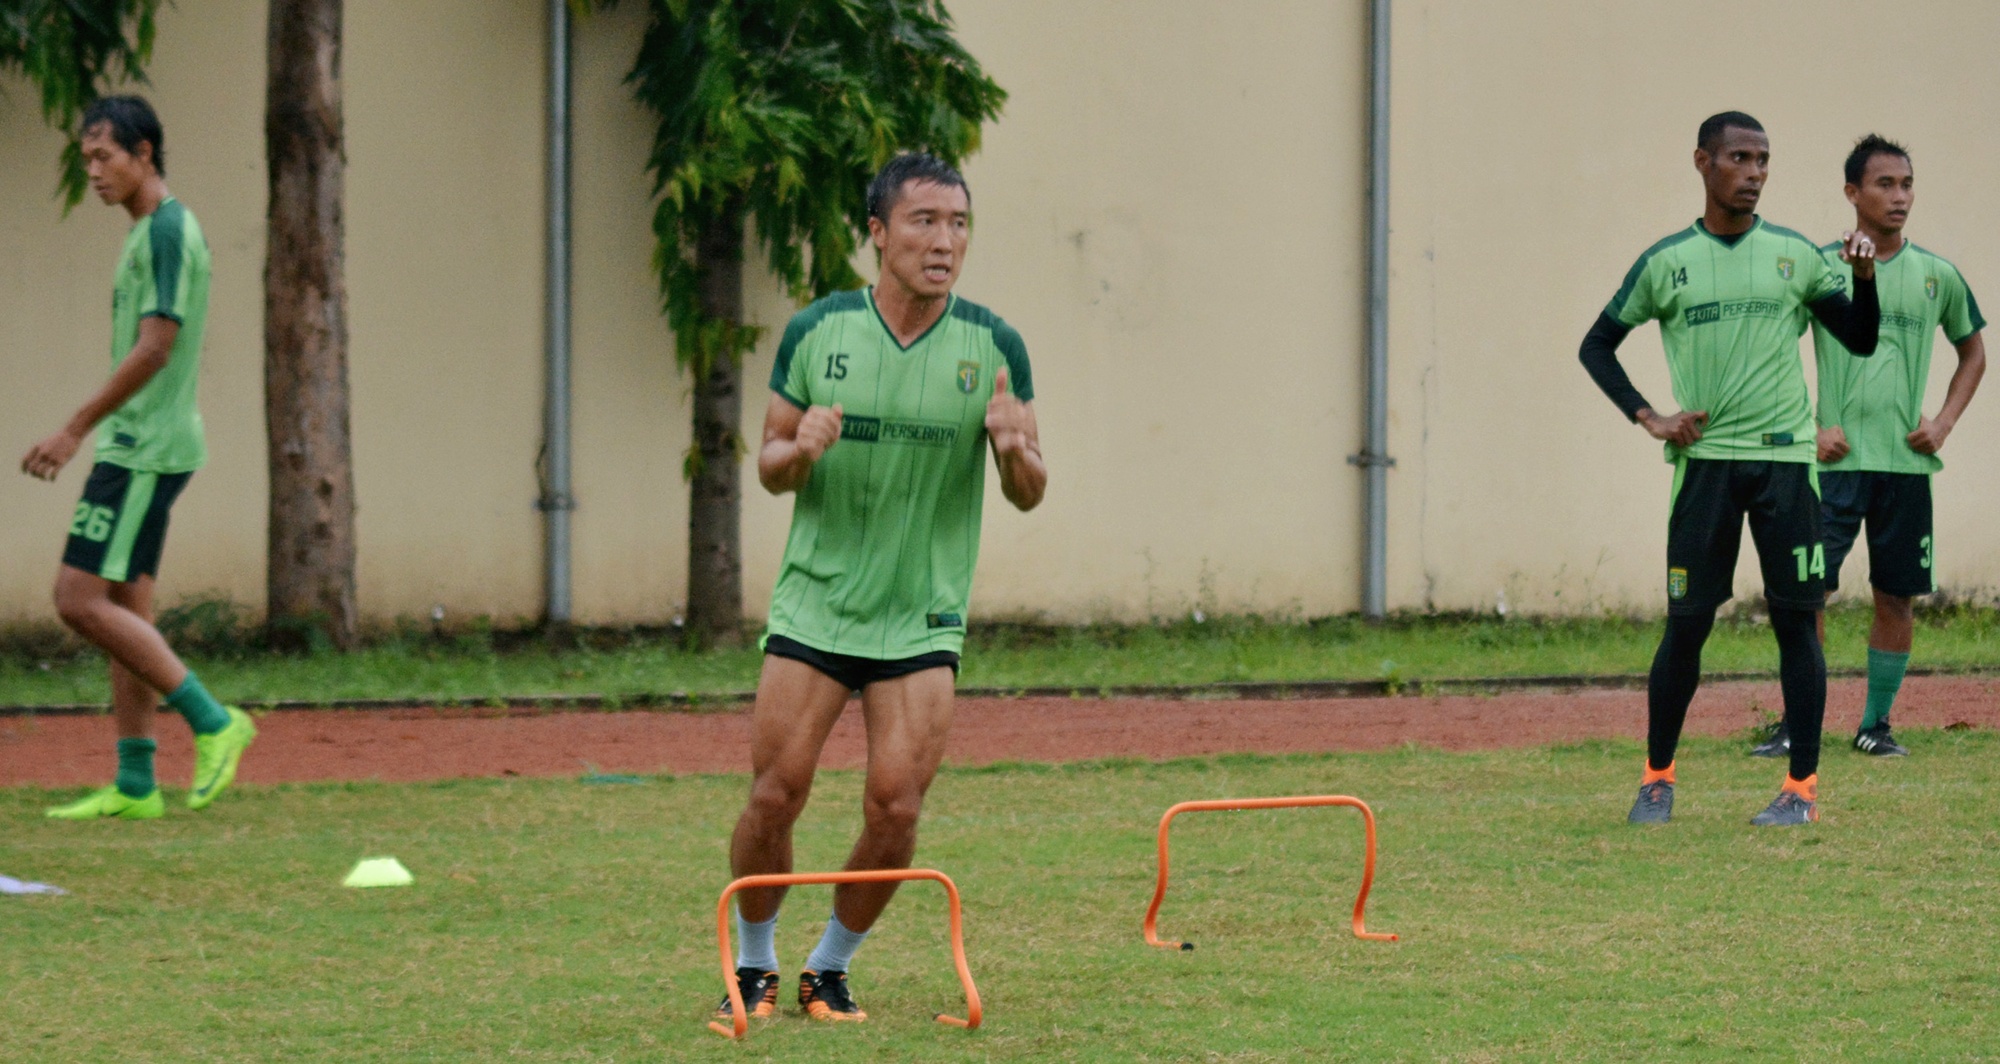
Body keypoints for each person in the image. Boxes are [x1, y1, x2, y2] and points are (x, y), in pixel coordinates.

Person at [715, 153, 1045, 1024]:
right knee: (773, 795)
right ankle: (753, 965)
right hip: (817, 604)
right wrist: (804, 448)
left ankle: (829, 969)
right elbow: (771, 467)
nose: (945, 242)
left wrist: (1016, 453)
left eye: (959, 224)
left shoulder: (994, 346)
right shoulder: (817, 333)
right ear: (877, 232)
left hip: (921, 615)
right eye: (925, 222)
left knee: (896, 807)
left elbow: (1029, 488)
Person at [1578, 111, 1880, 827]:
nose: (1754, 173)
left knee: (1796, 626)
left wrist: (1863, 279)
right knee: (1686, 626)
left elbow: (1861, 339)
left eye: (1764, 160)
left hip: (1783, 466)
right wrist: (1650, 416)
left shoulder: (1797, 257)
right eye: (1740, 158)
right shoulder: (1666, 262)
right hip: (1705, 468)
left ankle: (1800, 790)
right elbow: (1597, 346)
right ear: (1703, 163)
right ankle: (1657, 780)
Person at [20, 96, 255, 821]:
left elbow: (156, 347)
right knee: (127, 608)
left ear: (144, 153)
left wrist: (75, 428)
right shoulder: (146, 232)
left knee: (76, 599)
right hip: (149, 444)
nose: (92, 171)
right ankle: (135, 782)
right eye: (85, 158)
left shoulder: (165, 232)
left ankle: (217, 722)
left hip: (142, 449)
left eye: (104, 156)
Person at [1749, 135, 1985, 761]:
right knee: (1807, 594)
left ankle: (1875, 725)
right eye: (1885, 184)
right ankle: (1801, 723)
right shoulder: (1821, 268)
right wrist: (1808, 427)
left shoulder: (1938, 274)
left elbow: (1974, 352)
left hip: (1905, 466)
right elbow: (1773, 351)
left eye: (1907, 184)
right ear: (1852, 193)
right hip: (1832, 465)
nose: (1900, 196)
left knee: (1896, 596)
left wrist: (1944, 423)